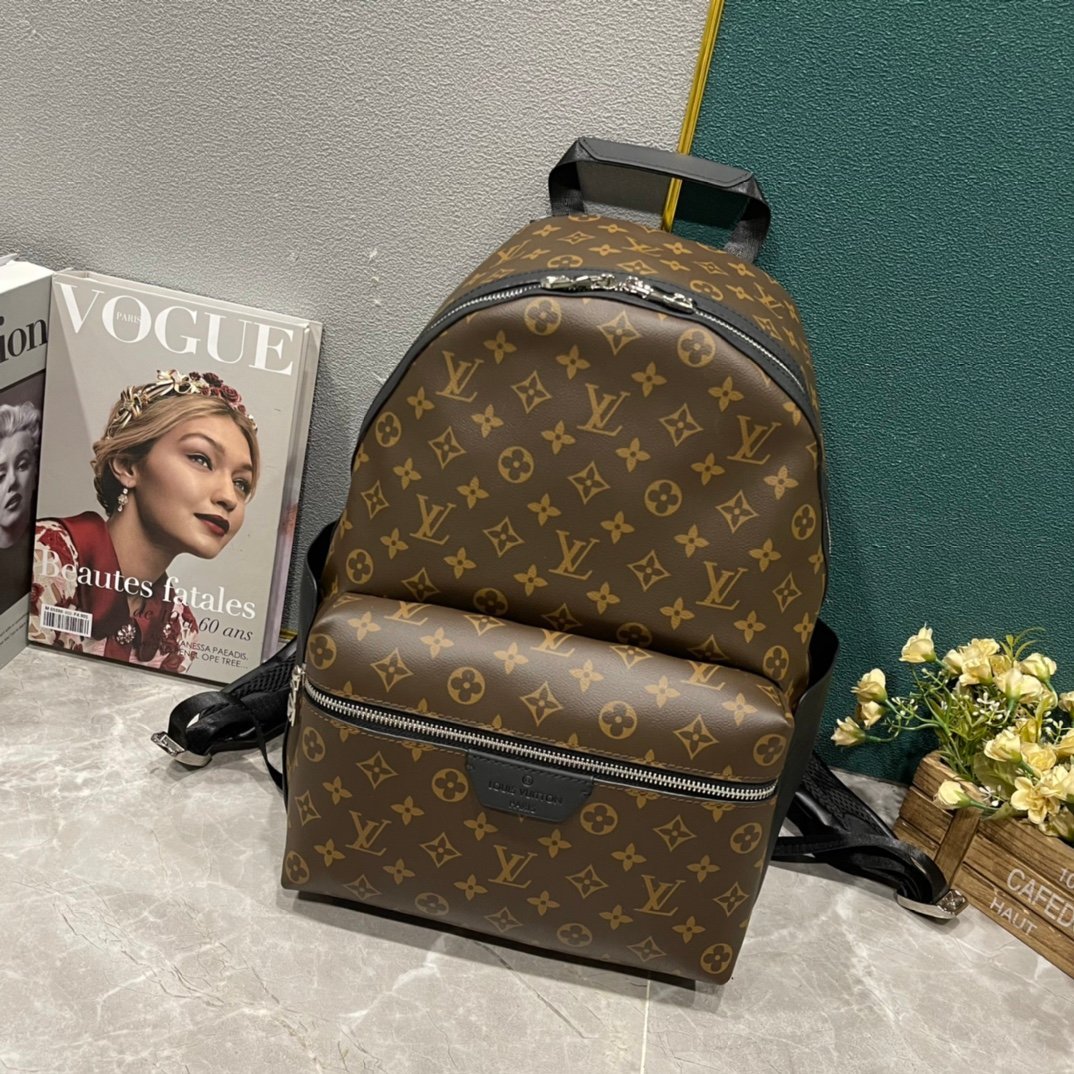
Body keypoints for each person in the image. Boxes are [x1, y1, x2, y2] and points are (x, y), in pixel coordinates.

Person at [30, 370, 260, 674]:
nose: (229, 497)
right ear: (127, 466)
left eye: (241, 483)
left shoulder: (179, 627)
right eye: (201, 459)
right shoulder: (43, 558)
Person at [0, 400, 41, 612]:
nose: (13, 481)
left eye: (22, 465)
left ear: (35, 473)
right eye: (0, 475)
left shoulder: (50, 549)